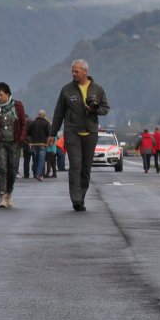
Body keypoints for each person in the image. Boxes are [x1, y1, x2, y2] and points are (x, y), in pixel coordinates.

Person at [51, 59, 109, 212]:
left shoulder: (97, 89)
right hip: (72, 132)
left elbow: (105, 108)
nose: (73, 74)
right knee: (75, 165)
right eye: (72, 71)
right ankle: (76, 199)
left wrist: (94, 110)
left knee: (85, 168)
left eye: (76, 71)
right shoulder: (66, 90)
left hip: (90, 133)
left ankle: (81, 196)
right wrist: (52, 133)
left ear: (85, 72)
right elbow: (59, 113)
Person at [0, 82, 28, 209]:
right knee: (2, 168)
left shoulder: (18, 106)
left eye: (1, 95)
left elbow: (24, 124)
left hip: (14, 143)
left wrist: (21, 139)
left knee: (12, 169)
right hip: (0, 143)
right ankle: (2, 196)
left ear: (7, 94)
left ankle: (9, 193)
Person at [26, 110, 51, 184]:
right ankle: (39, 174)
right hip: (43, 144)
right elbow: (49, 133)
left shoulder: (33, 123)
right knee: (41, 160)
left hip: (34, 144)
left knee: (36, 159)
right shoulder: (46, 123)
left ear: (38, 114)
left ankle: (36, 173)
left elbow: (28, 132)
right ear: (44, 115)